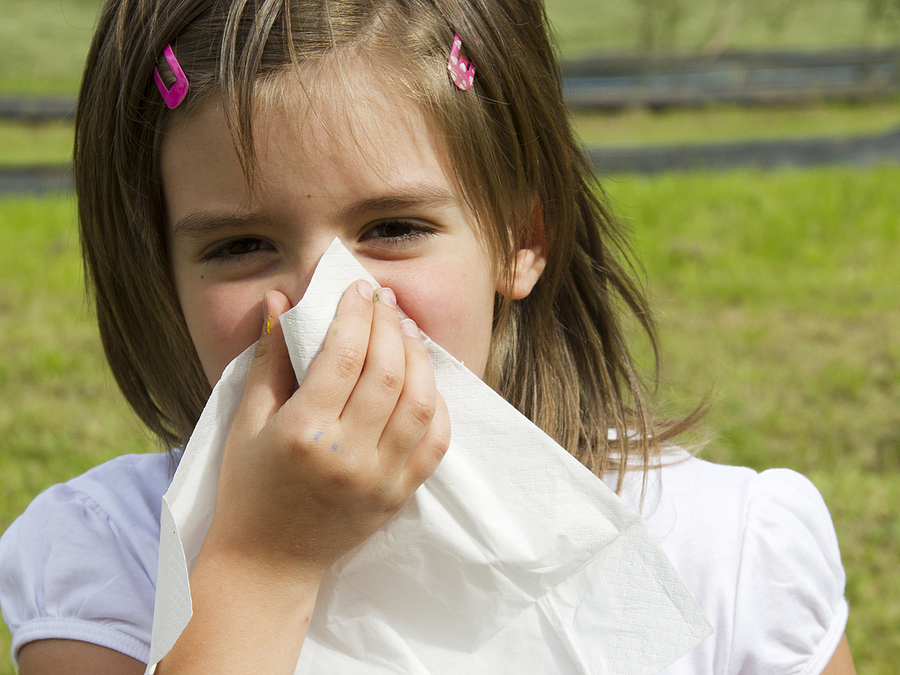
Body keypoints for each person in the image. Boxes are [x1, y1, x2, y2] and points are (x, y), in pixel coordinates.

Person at [0, 0, 856, 673]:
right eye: (239, 246)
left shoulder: (723, 554)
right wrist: (261, 564)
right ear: (163, 275)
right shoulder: (108, 560)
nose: (328, 310)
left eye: (395, 227)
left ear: (520, 238)